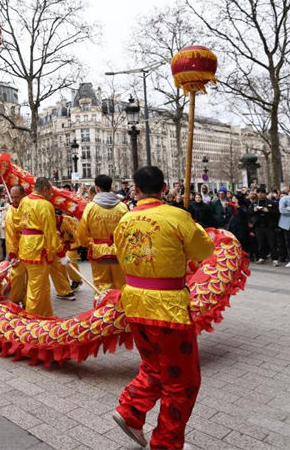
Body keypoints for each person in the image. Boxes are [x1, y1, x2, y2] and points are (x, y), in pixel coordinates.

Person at [112, 166, 213, 449]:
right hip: (167, 307)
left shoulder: (125, 220)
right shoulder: (177, 216)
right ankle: (167, 441)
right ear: (164, 186)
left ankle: (131, 410)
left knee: (154, 365)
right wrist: (192, 224)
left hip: (134, 302)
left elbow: (122, 255)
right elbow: (204, 251)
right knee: (183, 380)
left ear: (135, 188)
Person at [17, 177, 66, 317]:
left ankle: (45, 315)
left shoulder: (24, 201)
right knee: (36, 288)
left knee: (41, 285)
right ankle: (31, 319)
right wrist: (61, 254)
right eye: (51, 191)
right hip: (38, 249)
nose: (51, 195)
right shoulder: (44, 205)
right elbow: (50, 232)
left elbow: (18, 222)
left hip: (26, 245)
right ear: (45, 189)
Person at [78, 174, 128, 292]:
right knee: (121, 284)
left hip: (98, 251)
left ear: (97, 189)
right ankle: (120, 309)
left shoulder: (90, 207)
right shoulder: (122, 207)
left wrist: (88, 244)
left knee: (102, 285)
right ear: (110, 187)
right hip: (119, 251)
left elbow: (82, 232)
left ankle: (103, 309)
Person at [5, 185, 26, 304]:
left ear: (23, 195)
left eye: (17, 197)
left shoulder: (29, 207)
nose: (14, 200)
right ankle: (16, 300)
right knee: (17, 275)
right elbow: (10, 235)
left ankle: (28, 302)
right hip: (18, 249)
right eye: (12, 197)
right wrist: (12, 255)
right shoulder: (10, 212)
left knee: (31, 277)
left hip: (33, 248)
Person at [251, 187, 279, 265]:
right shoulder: (254, 203)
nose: (260, 194)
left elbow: (277, 212)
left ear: (265, 193)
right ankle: (262, 257)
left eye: (262, 193)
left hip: (269, 226)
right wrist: (254, 210)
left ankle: (275, 259)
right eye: (258, 193)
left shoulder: (271, 202)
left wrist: (268, 211)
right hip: (258, 226)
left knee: (272, 243)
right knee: (260, 243)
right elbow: (249, 213)